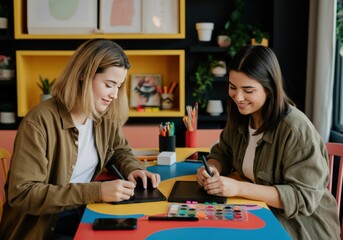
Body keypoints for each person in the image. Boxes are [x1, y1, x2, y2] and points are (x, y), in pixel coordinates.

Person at [0, 39, 161, 239]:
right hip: (45, 226)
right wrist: (96, 191)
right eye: (109, 85)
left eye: (118, 86)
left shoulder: (103, 115)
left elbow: (119, 150)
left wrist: (134, 169)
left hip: (83, 210)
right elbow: (23, 194)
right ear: (84, 74)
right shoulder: (39, 121)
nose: (114, 94)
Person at [196, 45, 340, 239]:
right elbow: (223, 151)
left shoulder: (294, 129)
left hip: (301, 227)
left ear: (269, 88)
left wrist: (239, 188)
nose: (238, 97)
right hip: (259, 213)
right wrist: (213, 167)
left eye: (248, 90)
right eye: (232, 87)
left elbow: (303, 198)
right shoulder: (241, 116)